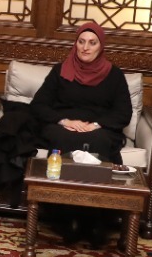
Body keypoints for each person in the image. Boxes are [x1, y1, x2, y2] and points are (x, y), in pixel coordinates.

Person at [31, 22, 132, 163]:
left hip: (100, 129)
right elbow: (38, 105)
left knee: (99, 139)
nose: (85, 48)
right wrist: (66, 122)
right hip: (63, 127)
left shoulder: (114, 74)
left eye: (92, 43)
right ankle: (55, 177)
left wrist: (95, 125)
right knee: (62, 137)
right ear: (76, 44)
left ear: (101, 46)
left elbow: (123, 113)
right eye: (81, 42)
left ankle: (98, 178)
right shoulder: (60, 70)